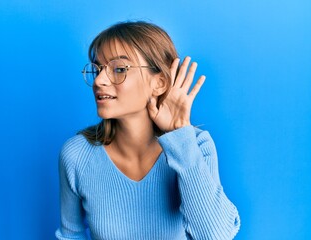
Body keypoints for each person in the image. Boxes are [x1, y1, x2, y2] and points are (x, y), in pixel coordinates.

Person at [55, 21, 240, 240]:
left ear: (160, 83)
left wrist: (180, 136)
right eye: (97, 69)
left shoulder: (197, 147)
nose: (99, 80)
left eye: (119, 69)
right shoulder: (76, 155)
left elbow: (214, 236)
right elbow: (71, 235)